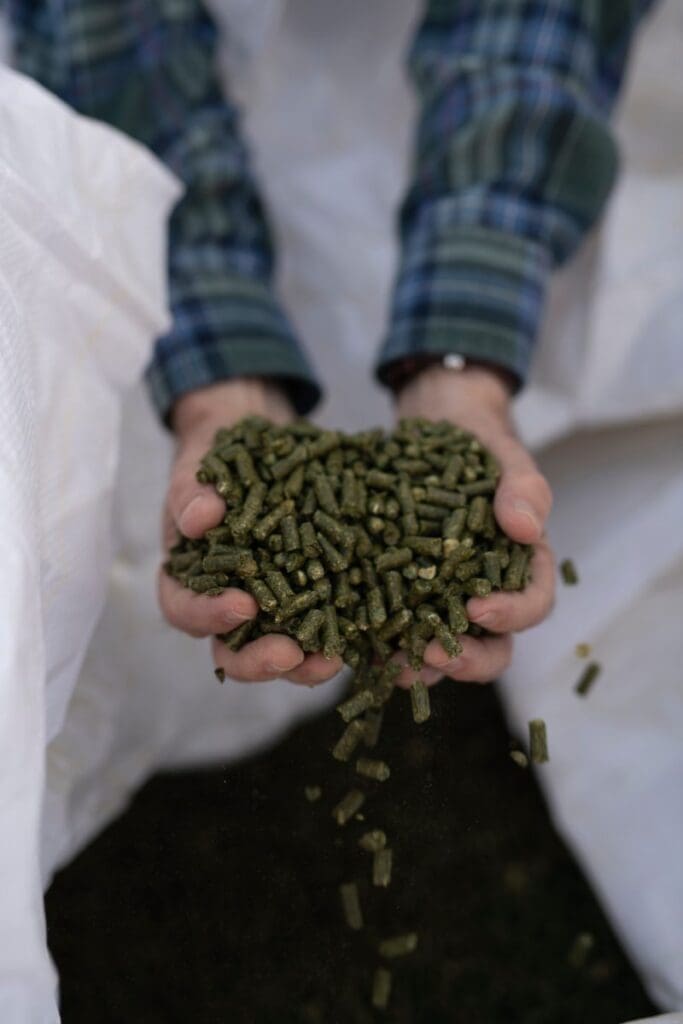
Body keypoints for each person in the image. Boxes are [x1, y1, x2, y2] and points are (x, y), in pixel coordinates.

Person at [9, 0, 650, 694]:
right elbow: (112, 46)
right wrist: (222, 371)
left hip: (440, 114)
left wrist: (461, 359)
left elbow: (536, 27)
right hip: (145, 101)